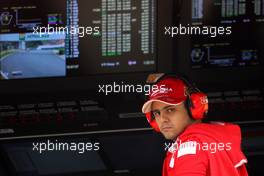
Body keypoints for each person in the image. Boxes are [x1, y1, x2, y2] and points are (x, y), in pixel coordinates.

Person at [141, 73, 248, 176]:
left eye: (170, 110)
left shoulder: (188, 150)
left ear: (194, 108)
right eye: (157, 113)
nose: (162, 119)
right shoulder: (214, 137)